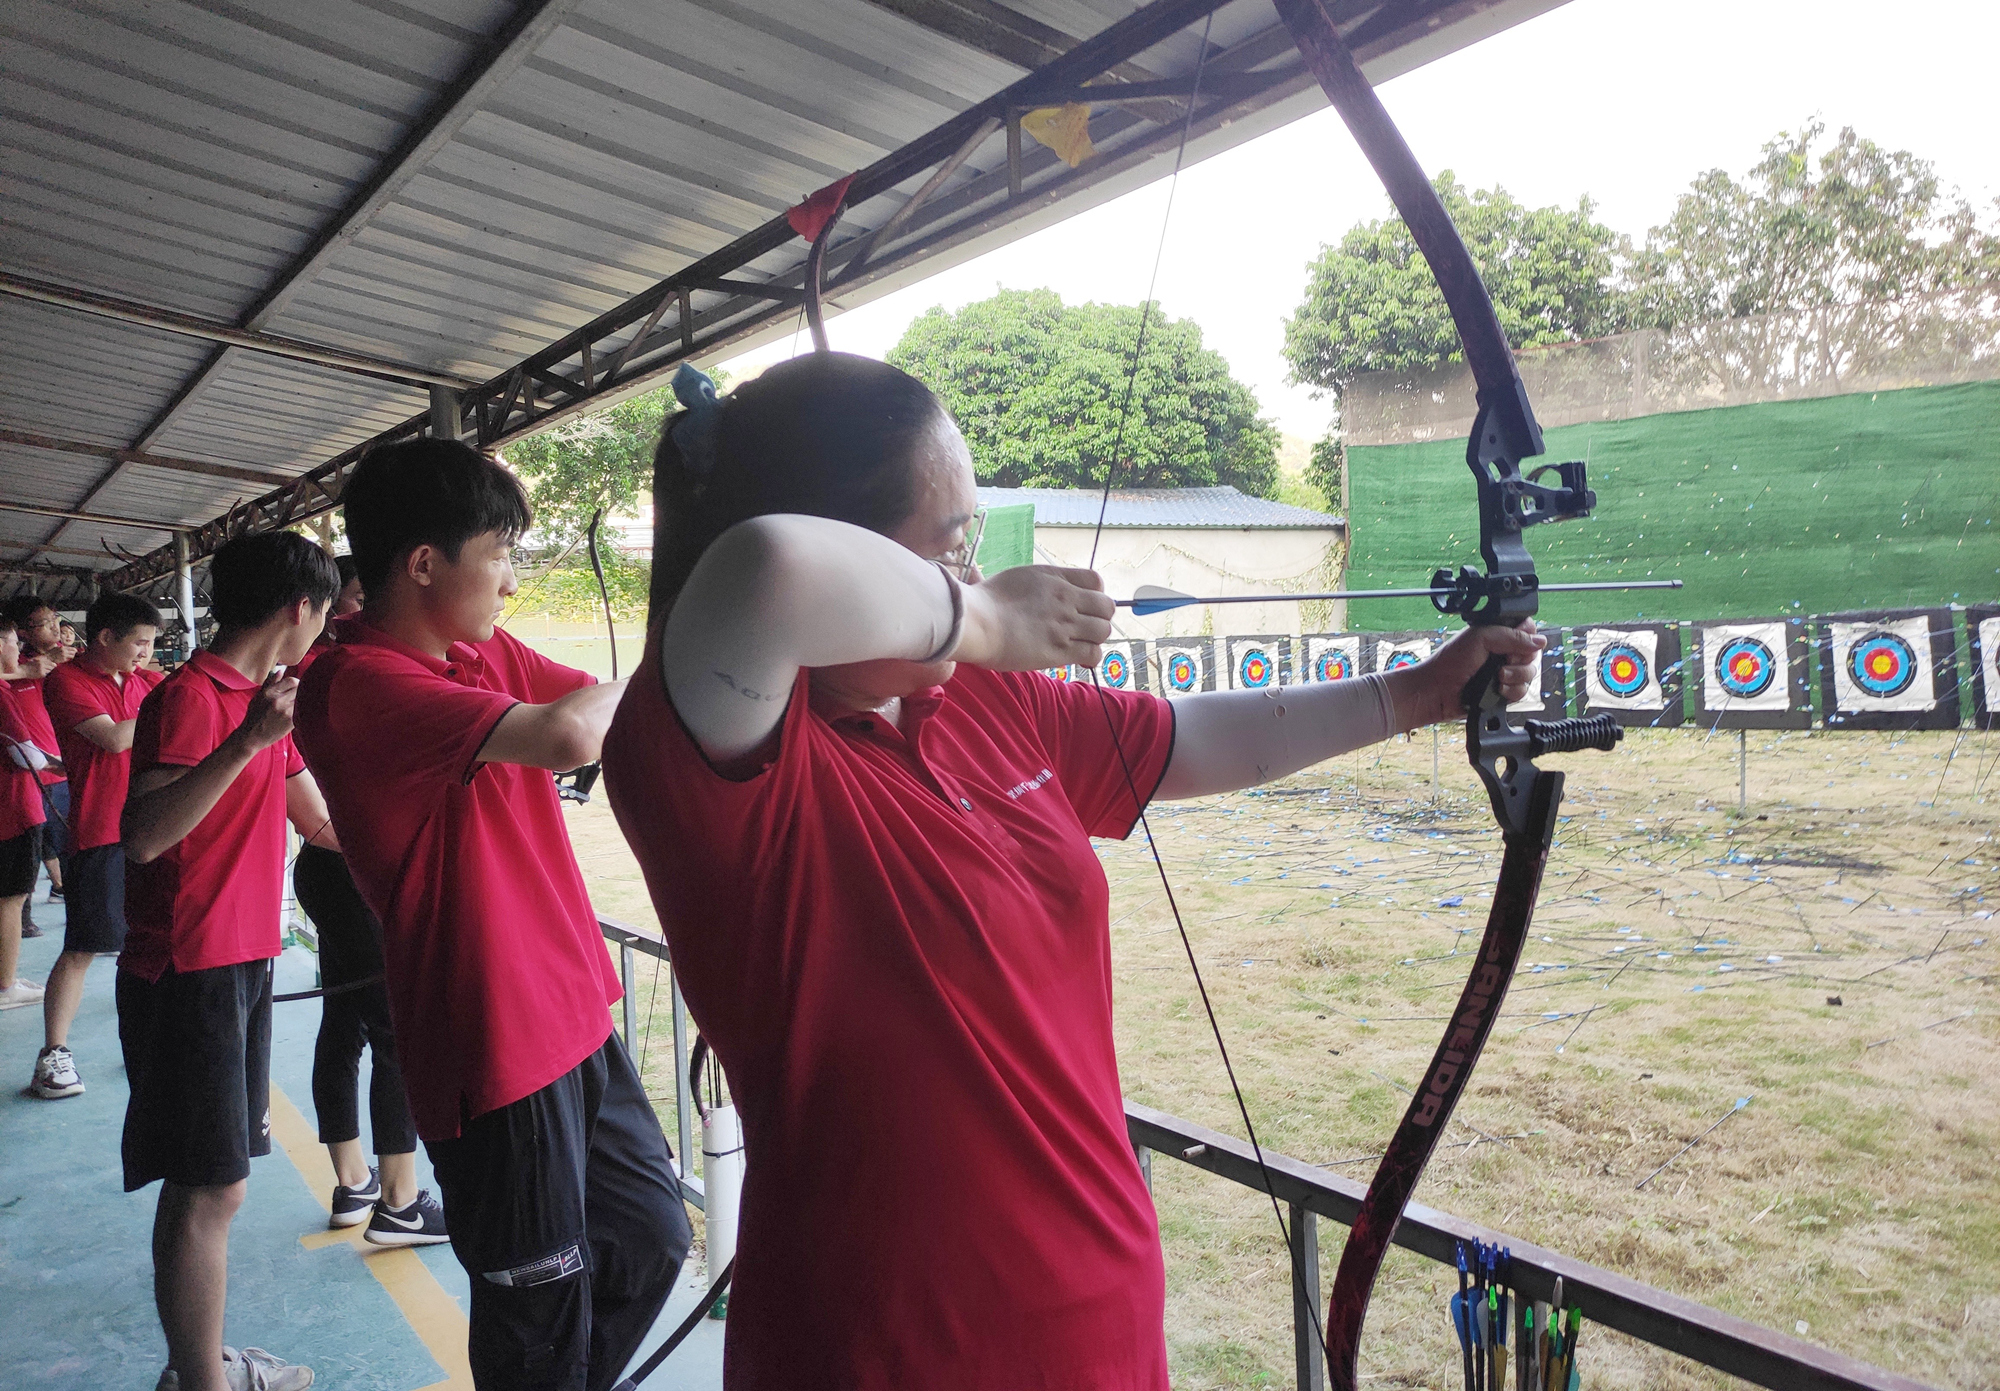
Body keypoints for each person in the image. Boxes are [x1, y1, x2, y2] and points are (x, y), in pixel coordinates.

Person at [598, 354, 1545, 1390]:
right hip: (883, 1348)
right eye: (947, 548)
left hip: (1099, 1319)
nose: (969, 575)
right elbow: (768, 568)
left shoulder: (974, 696)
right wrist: (987, 621)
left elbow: (1184, 741)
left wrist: (1416, 695)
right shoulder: (712, 752)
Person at [294, 441, 690, 1391]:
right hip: (494, 1043)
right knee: (535, 1321)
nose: (512, 579)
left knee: (650, 1237)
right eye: (501, 553)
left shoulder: (481, 652)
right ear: (424, 562)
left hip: (573, 1014)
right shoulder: (353, 683)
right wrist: (669, 661)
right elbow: (570, 731)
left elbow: (612, 710)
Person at [120, 531, 342, 1391]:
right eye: (323, 612)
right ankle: (201, 1380)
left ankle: (200, 1363)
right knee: (205, 1187)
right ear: (299, 607)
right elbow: (144, 835)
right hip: (189, 968)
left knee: (221, 1184)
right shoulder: (191, 697)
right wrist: (247, 740)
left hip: (242, 961)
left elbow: (318, 823)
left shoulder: (262, 703)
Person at [289, 552, 442, 1244]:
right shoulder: (336, 672)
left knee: (347, 1021)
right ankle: (401, 1200)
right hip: (348, 867)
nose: (361, 612)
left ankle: (356, 1182)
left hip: (332, 870)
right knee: (390, 1030)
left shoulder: (321, 670)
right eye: (354, 599)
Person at [29, 593, 164, 1098]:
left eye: (151, 644)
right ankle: (53, 1054)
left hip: (155, 829)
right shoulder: (67, 680)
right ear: (105, 637)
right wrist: (174, 708)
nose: (146, 653)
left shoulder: (144, 681)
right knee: (84, 946)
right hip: (101, 832)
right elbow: (113, 739)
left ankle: (152, 1040)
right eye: (139, 643)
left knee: (155, 942)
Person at [3, 596, 74, 937]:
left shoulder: (61, 664)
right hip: (28, 775)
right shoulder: (14, 667)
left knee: (66, 848)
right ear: (21, 633)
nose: (55, 628)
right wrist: (25, 670)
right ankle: (21, 917)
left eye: (55, 620)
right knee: (27, 855)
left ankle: (75, 906)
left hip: (56, 770)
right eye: (44, 623)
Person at [0, 613, 50, 1011]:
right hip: (12, 811)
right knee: (11, 899)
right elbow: (25, 755)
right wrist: (56, 764)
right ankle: (5, 986)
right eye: (15, 642)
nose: (19, 650)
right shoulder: (2, 693)